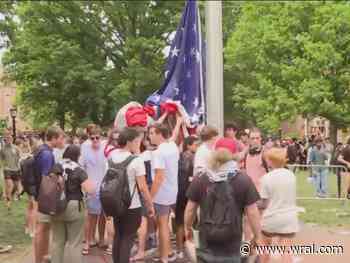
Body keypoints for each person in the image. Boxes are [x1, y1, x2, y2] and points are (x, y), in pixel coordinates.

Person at [184, 137, 262, 263]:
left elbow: (190, 209)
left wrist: (187, 228)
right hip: (233, 239)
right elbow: (252, 212)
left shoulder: (200, 178)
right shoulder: (243, 179)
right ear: (234, 155)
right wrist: (257, 235)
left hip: (207, 238)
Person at [109, 127, 155, 263]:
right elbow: (142, 187)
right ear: (130, 142)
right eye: (137, 141)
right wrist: (150, 205)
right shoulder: (136, 160)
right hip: (132, 205)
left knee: (118, 235)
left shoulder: (111, 157)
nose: (138, 144)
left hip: (115, 203)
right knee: (127, 238)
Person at [50, 145, 95, 263]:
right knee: (75, 243)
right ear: (77, 156)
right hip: (74, 206)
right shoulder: (78, 169)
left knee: (57, 241)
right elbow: (89, 189)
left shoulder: (56, 167)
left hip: (56, 205)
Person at [259, 148, 299, 263]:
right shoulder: (291, 175)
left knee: (264, 247)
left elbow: (263, 202)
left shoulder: (266, 178)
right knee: (286, 250)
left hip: (271, 217)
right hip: (289, 217)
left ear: (271, 161)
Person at [34, 126, 65, 263]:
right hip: (44, 196)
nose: (63, 140)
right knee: (42, 229)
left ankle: (43, 257)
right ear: (54, 138)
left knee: (43, 229)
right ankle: (39, 259)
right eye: (61, 137)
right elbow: (47, 178)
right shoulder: (47, 154)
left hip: (39, 194)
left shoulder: (43, 150)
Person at [149, 123, 180, 262]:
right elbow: (173, 136)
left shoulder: (159, 152)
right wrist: (178, 123)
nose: (149, 136)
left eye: (151, 133)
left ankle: (164, 257)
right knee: (164, 224)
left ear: (159, 134)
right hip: (171, 191)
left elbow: (159, 177)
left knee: (162, 225)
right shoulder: (172, 146)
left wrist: (150, 196)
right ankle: (165, 252)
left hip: (161, 193)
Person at [80, 126, 108, 255]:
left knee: (103, 215)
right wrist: (85, 186)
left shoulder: (106, 148)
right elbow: (81, 169)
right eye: (93, 138)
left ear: (100, 137)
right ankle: (87, 241)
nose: (95, 140)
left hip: (105, 187)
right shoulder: (85, 150)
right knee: (90, 216)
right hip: (91, 188)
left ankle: (101, 239)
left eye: (97, 137)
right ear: (89, 139)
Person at [242, 128, 268, 242]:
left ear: (261, 139)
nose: (255, 140)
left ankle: (260, 253)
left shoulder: (265, 154)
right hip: (248, 193)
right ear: (249, 140)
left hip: (261, 194)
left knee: (260, 223)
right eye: (253, 138)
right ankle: (247, 250)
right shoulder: (246, 153)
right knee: (247, 222)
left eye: (257, 138)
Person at [175, 136, 199, 259]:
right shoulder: (194, 158)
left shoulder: (179, 156)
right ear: (188, 145)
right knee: (191, 222)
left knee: (179, 221)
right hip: (190, 192)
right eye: (195, 144)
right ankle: (191, 248)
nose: (198, 147)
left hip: (179, 192)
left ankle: (179, 249)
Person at [0, 131, 21, 210]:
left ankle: (9, 196)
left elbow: (19, 157)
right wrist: (3, 166)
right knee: (10, 185)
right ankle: (8, 202)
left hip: (16, 169)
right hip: (7, 169)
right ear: (5, 140)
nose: (8, 140)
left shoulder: (16, 148)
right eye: (7, 138)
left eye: (10, 138)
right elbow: (1, 159)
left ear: (12, 139)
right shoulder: (3, 149)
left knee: (15, 187)